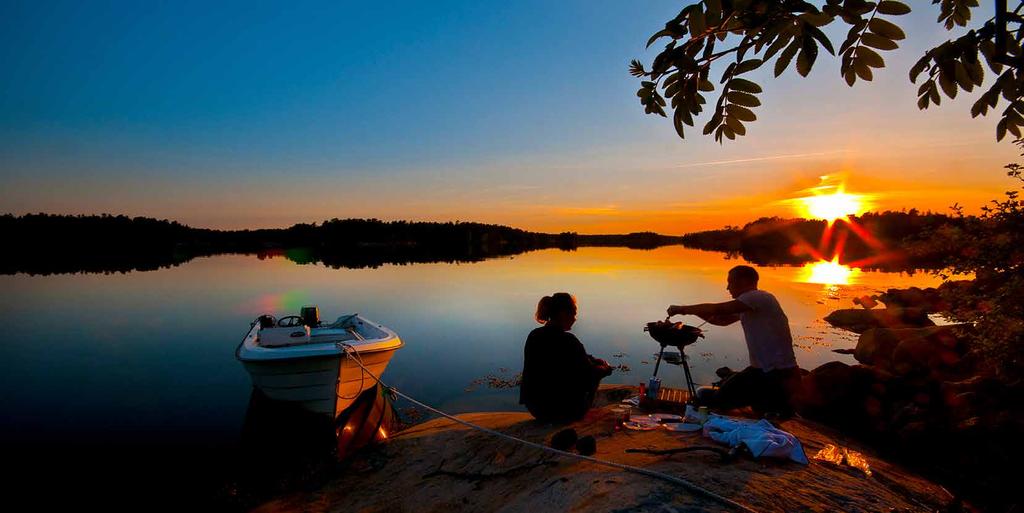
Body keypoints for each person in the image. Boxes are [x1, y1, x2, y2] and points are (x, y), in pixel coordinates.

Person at [666, 265, 801, 416]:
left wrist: (682, 309)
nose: (727, 287)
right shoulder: (749, 305)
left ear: (743, 281)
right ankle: (764, 404)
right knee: (708, 395)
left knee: (707, 397)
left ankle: (775, 406)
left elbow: (719, 309)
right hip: (761, 372)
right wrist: (694, 312)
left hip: (777, 374)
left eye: (730, 282)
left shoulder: (758, 297)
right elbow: (720, 320)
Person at [519, 293, 613, 423]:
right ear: (563, 313)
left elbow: (564, 356)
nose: (575, 318)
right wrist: (605, 370)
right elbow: (588, 376)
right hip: (564, 412)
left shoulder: (534, 335)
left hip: (536, 409)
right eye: (573, 313)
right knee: (592, 378)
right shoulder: (569, 340)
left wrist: (592, 359)